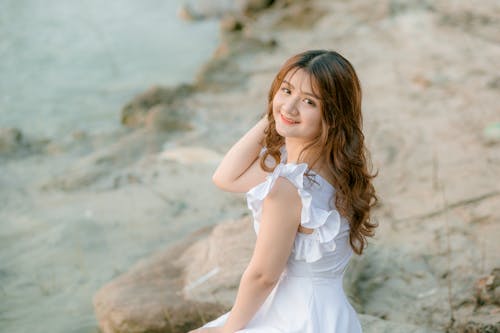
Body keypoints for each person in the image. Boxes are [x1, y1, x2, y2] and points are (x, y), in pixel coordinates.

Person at [189, 49, 378, 333]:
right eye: (286, 90)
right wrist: (277, 114)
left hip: (298, 318)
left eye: (309, 101)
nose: (290, 107)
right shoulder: (336, 166)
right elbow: (226, 177)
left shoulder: (289, 188)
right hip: (332, 314)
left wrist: (227, 331)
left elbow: (264, 276)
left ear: (332, 114)